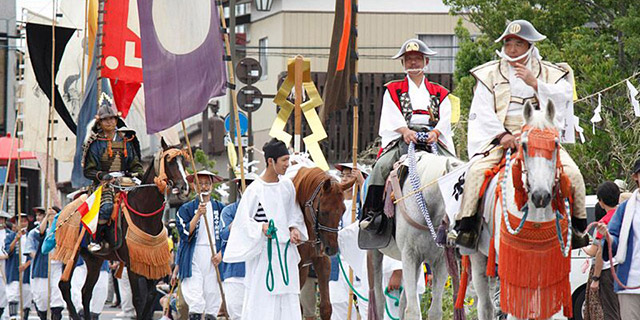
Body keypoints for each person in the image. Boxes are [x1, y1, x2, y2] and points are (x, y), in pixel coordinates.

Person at [455, 19, 587, 248]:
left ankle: (577, 228)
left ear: (530, 46)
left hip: (542, 136)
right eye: (508, 43)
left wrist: (535, 83)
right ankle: (467, 228)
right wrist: (502, 135)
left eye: (518, 43)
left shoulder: (550, 73)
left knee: (574, 174)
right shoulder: (489, 74)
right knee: (476, 172)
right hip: (503, 137)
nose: (512, 49)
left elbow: (562, 97)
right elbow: (482, 110)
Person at [360, 38, 455, 237]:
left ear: (426, 62)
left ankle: (458, 216)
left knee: (454, 167)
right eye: (409, 59)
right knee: (381, 167)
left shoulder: (440, 92)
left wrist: (436, 133)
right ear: (403, 63)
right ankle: (373, 214)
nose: (413, 63)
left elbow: (446, 116)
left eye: (418, 59)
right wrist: (404, 131)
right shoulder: (393, 89)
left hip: (431, 137)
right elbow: (390, 114)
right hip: (404, 137)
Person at [223, 138, 307, 320]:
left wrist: (294, 229)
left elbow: (294, 214)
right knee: (262, 302)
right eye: (284, 160)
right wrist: (261, 227)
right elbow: (242, 224)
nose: (287, 164)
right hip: (264, 257)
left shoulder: (287, 186)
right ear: (271, 161)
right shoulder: (254, 190)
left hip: (286, 255)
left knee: (288, 302)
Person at [82, 94, 143, 252]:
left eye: (112, 118)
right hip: (104, 183)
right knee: (107, 207)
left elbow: (135, 162)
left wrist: (137, 173)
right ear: (100, 123)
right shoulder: (95, 143)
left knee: (144, 200)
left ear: (117, 120)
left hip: (126, 180)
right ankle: (97, 239)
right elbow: (89, 170)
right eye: (105, 119)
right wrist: (102, 176)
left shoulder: (126, 140)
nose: (109, 122)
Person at [176, 170, 226, 320]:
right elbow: (184, 233)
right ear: (194, 186)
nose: (203, 187)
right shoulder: (186, 209)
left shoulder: (221, 208)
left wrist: (221, 254)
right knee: (196, 300)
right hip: (194, 257)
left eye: (206, 183)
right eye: (200, 184)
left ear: (212, 185)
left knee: (212, 300)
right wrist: (198, 214)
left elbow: (228, 236)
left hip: (214, 257)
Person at [599, 159, 640, 320]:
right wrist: (607, 236)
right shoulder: (625, 208)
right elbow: (613, 239)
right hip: (629, 282)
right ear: (635, 177)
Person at [219, 173, 259, 319]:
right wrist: (241, 219)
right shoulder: (229, 211)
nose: (248, 190)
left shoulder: (263, 211)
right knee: (236, 314)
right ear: (239, 189)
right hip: (235, 272)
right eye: (245, 186)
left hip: (257, 271)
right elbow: (224, 235)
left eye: (251, 186)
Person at [583, 182, 621, 320]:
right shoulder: (625, 215)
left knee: (611, 311)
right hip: (626, 269)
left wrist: (596, 278)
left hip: (609, 271)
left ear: (601, 201)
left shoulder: (603, 223)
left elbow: (599, 252)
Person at [27, 207, 64, 320]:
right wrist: (47, 217)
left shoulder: (62, 229)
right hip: (42, 268)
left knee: (57, 297)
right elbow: (40, 233)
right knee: (42, 298)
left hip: (57, 266)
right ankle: (43, 316)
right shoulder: (37, 231)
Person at [4, 213, 32, 320]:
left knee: (27, 294)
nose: (23, 223)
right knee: (13, 294)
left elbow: (35, 253)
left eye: (25, 221)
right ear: (16, 223)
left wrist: (26, 265)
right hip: (13, 269)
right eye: (21, 221)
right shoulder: (10, 236)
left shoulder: (31, 235)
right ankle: (13, 316)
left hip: (27, 269)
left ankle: (25, 317)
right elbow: (7, 251)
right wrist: (16, 239)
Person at [0, 210, 12, 318]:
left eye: (2, 219)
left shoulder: (9, 234)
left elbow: (8, 251)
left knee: (5, 290)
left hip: (6, 264)